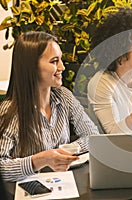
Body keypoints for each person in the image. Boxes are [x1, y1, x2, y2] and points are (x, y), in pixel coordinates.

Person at [0, 31, 100, 182]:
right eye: (54, 61)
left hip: (62, 184)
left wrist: (65, 151)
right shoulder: (10, 110)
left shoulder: (64, 96)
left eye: (60, 60)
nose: (62, 67)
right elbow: (2, 167)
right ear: (31, 67)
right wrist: (41, 160)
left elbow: (92, 136)